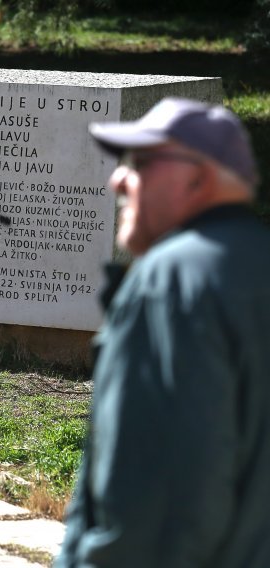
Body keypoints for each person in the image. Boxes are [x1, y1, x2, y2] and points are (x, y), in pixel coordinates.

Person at [55, 98, 270, 567]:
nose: (118, 179)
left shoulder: (170, 285)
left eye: (140, 163)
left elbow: (155, 505)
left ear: (198, 178)